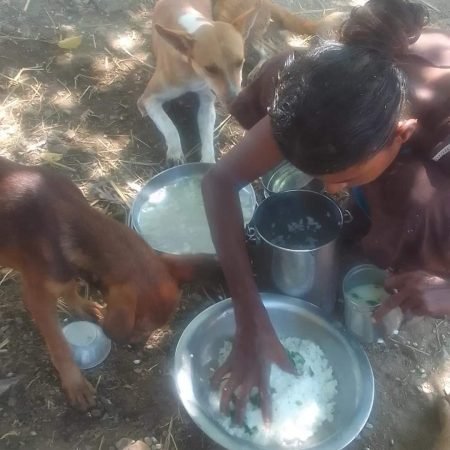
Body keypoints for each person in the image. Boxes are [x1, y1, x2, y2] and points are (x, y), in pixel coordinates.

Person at [201, 0, 450, 424]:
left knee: (422, 205)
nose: (331, 191)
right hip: (365, 111)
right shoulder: (323, 84)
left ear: (401, 135)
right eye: (322, 176)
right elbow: (219, 181)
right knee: (280, 69)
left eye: (346, 179)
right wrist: (251, 317)